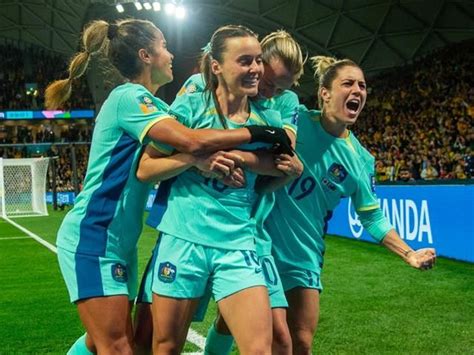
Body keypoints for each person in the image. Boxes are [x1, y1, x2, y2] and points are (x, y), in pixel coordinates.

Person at [46, 19, 291, 355]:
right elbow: (189, 141)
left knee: (107, 339)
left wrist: (200, 160)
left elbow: (190, 151)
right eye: (164, 46)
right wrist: (257, 135)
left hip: (121, 240)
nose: (171, 53)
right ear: (146, 55)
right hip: (94, 232)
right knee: (117, 346)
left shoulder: (159, 107)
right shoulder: (129, 97)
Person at [134, 30, 305, 355]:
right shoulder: (192, 103)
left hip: (238, 244)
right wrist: (196, 159)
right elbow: (145, 168)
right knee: (166, 346)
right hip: (183, 239)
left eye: (257, 60)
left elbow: (280, 162)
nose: (256, 69)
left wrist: (246, 159)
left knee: (260, 347)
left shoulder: (268, 117)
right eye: (246, 61)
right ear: (216, 67)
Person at [265, 55, 437, 354]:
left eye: (363, 85)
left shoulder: (361, 160)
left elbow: (372, 217)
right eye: (348, 83)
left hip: (304, 254)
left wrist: (408, 253)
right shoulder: (295, 120)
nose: (358, 90)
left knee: (301, 342)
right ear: (325, 93)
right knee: (260, 335)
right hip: (259, 240)